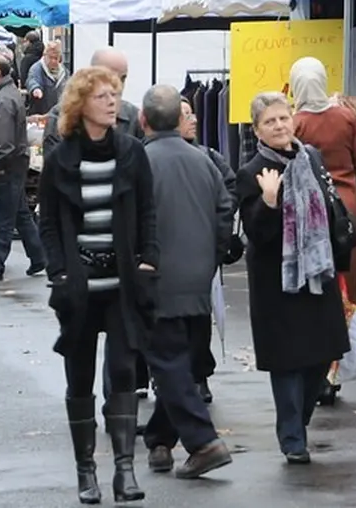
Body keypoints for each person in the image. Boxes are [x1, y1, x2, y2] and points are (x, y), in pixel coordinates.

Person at [40, 66, 159, 504]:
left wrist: (149, 262)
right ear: (81, 104)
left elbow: (148, 212)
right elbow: (48, 222)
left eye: (115, 94)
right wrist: (59, 271)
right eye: (103, 95)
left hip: (125, 279)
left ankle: (125, 470)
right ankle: (85, 470)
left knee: (125, 369)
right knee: (80, 375)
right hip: (79, 281)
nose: (112, 101)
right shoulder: (60, 158)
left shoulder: (132, 152)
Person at [236, 92, 349, 464]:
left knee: (321, 356)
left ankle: (298, 423)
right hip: (278, 281)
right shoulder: (252, 170)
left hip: (317, 273)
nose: (280, 126)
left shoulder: (311, 158)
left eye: (283, 118)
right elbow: (258, 234)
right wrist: (268, 202)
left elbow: (330, 207)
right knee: (287, 361)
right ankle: (292, 438)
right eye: (270, 122)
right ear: (257, 130)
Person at [138, 86, 233, 478]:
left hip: (154, 277)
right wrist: (211, 256)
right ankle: (160, 441)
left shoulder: (138, 163)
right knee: (177, 361)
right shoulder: (204, 160)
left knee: (168, 363)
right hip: (197, 277)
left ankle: (202, 441)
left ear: (143, 121)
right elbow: (225, 209)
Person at [288, 57, 356, 306]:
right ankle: (350, 343)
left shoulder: (295, 124)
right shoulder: (345, 118)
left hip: (312, 214)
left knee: (316, 289)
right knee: (348, 291)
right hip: (348, 209)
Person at [178, 97, 235, 402]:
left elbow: (230, 192)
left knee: (200, 318)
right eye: (185, 114)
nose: (194, 119)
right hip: (171, 255)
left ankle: (200, 375)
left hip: (203, 253)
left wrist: (217, 235)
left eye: (192, 113)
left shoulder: (210, 157)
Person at [0, 55, 46, 280]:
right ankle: (38, 258)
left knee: (4, 219)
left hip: (6, 168)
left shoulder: (3, 100)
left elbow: (3, 143)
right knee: (20, 215)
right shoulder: (5, 95)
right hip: (13, 165)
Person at [43, 46, 144, 155]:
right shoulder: (60, 116)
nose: (118, 86)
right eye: (109, 78)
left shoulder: (134, 118)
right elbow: (53, 164)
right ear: (91, 76)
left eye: (123, 79)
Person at [26, 40, 68, 116]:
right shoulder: (36, 68)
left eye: (56, 58)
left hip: (59, 115)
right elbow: (32, 80)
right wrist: (35, 88)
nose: (53, 61)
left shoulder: (64, 71)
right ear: (44, 55)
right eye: (50, 57)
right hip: (41, 115)